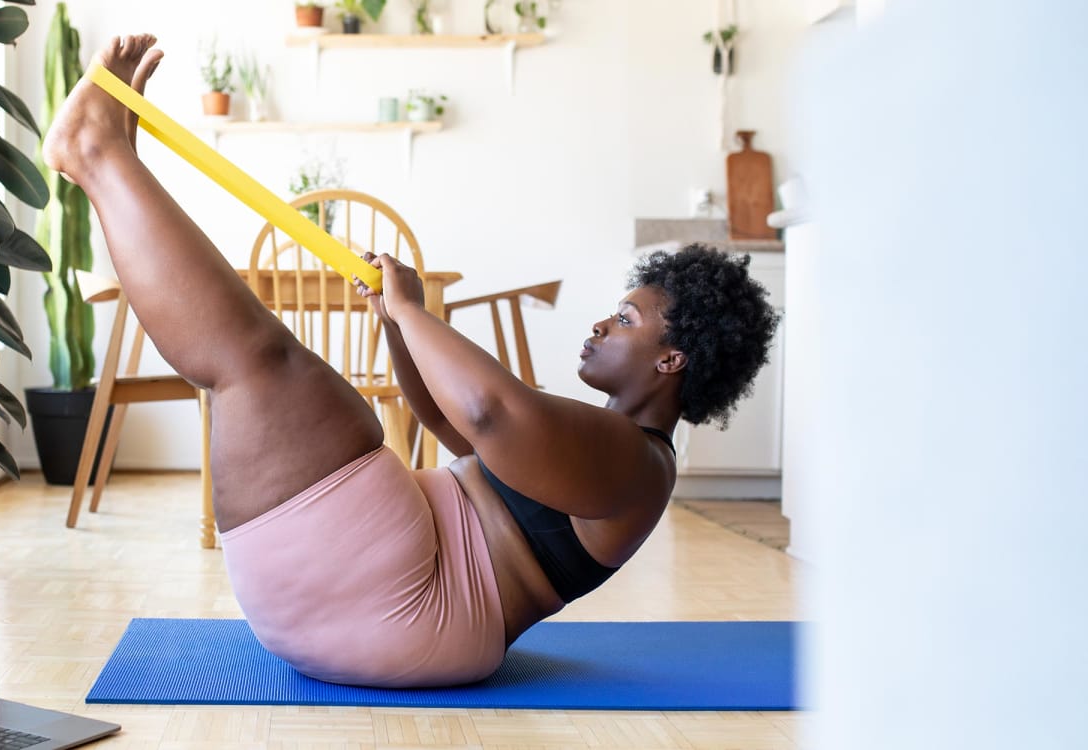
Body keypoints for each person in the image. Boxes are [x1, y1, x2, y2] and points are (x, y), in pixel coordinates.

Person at [43, 34, 780, 688]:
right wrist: (397, 326)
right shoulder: (610, 447)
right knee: (266, 371)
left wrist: (413, 312)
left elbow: (491, 412)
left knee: (262, 363)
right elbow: (449, 420)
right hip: (381, 603)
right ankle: (110, 160)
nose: (601, 323)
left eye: (625, 319)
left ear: (672, 360)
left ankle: (97, 156)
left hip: (403, 610)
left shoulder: (637, 466)